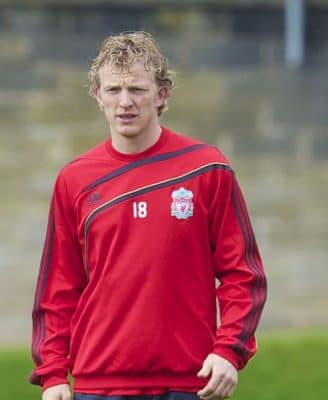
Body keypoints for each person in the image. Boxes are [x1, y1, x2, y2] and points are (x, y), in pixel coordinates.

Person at [30, 31, 267, 400]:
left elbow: (244, 275)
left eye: (137, 89)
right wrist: (53, 374)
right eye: (113, 90)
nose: (125, 102)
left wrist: (228, 351)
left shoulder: (207, 169)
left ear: (162, 94)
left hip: (189, 382)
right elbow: (58, 288)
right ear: (97, 96)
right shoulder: (73, 180)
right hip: (98, 384)